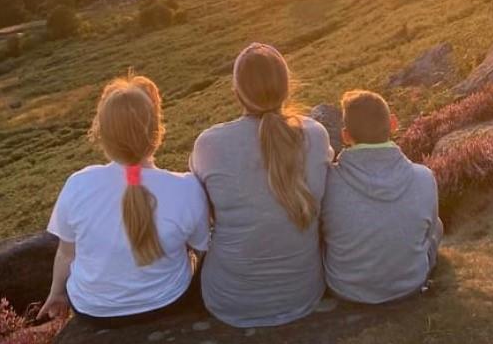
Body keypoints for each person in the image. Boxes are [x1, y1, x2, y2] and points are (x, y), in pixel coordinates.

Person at [38, 73, 209, 327]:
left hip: (92, 311)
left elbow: (66, 254)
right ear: (157, 131)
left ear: (102, 134)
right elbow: (201, 246)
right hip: (167, 303)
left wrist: (56, 293)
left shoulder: (77, 184)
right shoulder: (186, 187)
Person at [191, 43, 332, 328]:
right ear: (287, 88)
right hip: (302, 294)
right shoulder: (315, 135)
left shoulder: (210, 144)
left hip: (228, 299)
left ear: (236, 93)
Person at [322, 89, 442, 304]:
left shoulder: (328, 182)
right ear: (393, 123)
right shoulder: (424, 177)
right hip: (410, 284)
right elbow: (429, 232)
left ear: (346, 136)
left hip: (346, 289)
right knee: (437, 225)